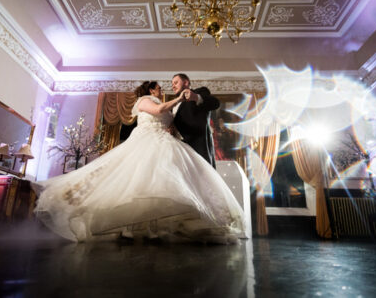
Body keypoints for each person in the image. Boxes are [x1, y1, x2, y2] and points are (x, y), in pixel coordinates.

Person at [34, 81, 244, 243]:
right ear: (151, 89)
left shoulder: (168, 104)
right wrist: (178, 99)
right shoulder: (144, 100)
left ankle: (153, 228)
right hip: (146, 141)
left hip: (165, 141)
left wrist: (173, 125)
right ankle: (128, 227)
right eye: (159, 87)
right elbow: (159, 111)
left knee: (161, 184)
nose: (163, 89)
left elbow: (169, 118)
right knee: (137, 181)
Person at [171, 73, 220, 168]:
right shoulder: (173, 104)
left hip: (197, 148)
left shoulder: (200, 92)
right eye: (172, 84)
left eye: (176, 82)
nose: (173, 86)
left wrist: (196, 97)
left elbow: (215, 103)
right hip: (178, 150)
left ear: (185, 82)